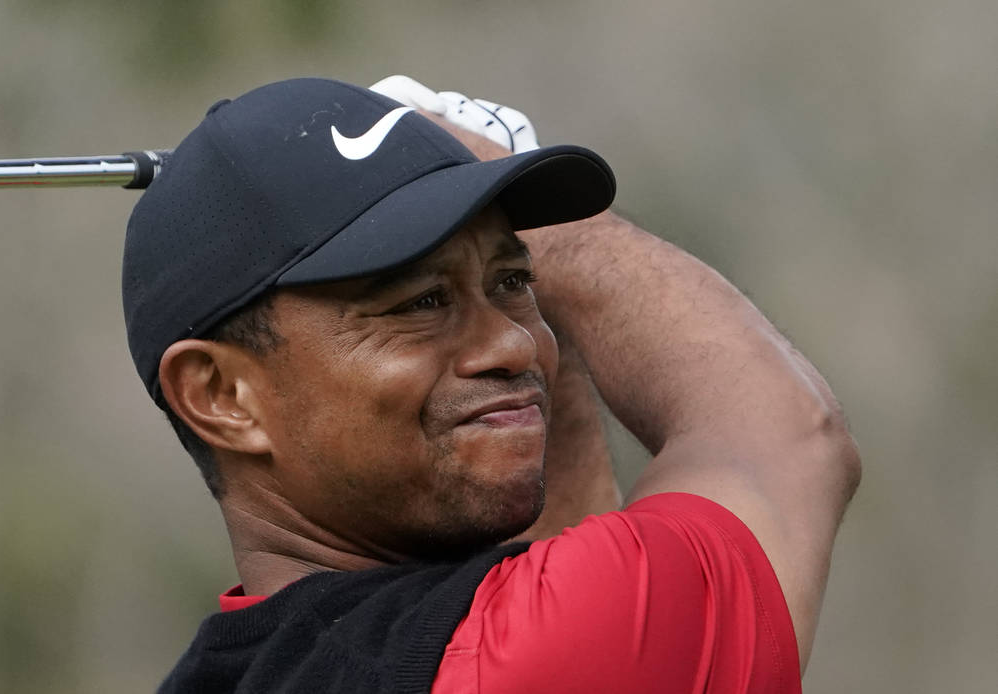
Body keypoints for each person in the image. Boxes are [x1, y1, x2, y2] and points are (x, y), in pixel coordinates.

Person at [122, 76, 861, 693]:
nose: (513, 342)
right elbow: (790, 436)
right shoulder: (518, 660)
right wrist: (545, 215)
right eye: (420, 303)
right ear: (221, 395)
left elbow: (548, 565)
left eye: (512, 282)